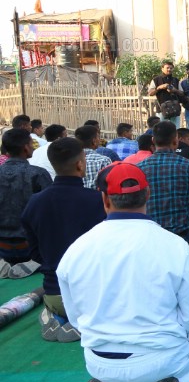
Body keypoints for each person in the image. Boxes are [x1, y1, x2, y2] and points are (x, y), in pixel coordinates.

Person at [58, 161, 189, 382]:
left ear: (104, 199)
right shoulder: (174, 245)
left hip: (100, 362)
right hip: (163, 359)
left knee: (124, 374)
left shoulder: (76, 250)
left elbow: (76, 318)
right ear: (148, 194)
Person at [21, 137, 104, 341]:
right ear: (80, 163)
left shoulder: (35, 202)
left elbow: (34, 252)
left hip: (53, 292)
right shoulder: (98, 201)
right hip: (92, 296)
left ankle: (55, 316)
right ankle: (79, 323)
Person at [138, 121, 189, 258]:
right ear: (176, 141)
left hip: (150, 240)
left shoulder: (139, 168)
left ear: (153, 141)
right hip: (185, 241)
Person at [0, 128, 52, 269]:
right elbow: (52, 211)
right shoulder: (38, 174)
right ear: (25, 147)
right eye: (31, 143)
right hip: (32, 248)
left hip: (3, 247)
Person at [147, 60, 184, 126]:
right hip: (161, 110)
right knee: (161, 130)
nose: (169, 69)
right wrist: (159, 87)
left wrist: (174, 90)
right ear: (162, 68)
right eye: (167, 68)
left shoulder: (176, 80)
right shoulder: (156, 80)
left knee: (175, 130)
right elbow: (150, 93)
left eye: (171, 68)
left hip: (175, 109)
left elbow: (182, 93)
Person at [75, 125, 112, 190]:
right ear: (94, 141)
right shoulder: (104, 160)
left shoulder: (71, 160)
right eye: (98, 137)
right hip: (98, 199)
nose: (100, 139)